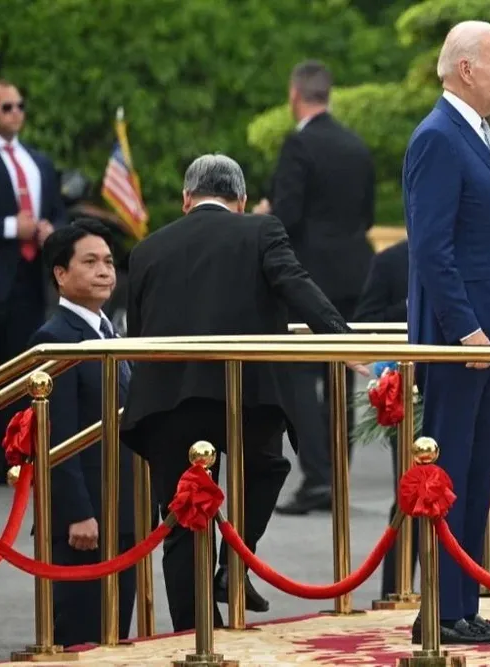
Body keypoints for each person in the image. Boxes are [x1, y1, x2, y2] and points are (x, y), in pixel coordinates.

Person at [120, 154, 362, 632]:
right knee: (265, 467)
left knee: (182, 517)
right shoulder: (261, 230)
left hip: (168, 398)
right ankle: (235, 559)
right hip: (247, 394)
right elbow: (296, 285)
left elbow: (137, 329)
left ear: (186, 199)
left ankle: (193, 634)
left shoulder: (147, 248)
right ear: (243, 199)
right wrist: (341, 339)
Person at [404, 20, 490, 645]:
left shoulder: (481, 136)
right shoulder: (438, 137)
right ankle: (442, 609)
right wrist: (467, 330)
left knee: (479, 476)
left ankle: (464, 601)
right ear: (465, 69)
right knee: (448, 472)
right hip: (462, 345)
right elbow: (431, 248)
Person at [266, 60, 376, 516]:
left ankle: (316, 476)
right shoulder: (355, 145)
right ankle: (337, 475)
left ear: (295, 95)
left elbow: (287, 217)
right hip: (353, 272)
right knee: (339, 377)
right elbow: (367, 214)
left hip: (309, 275)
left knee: (295, 377)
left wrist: (266, 211)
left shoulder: (299, 144)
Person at [26, 219, 135, 647]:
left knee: (115, 636)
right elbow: (57, 436)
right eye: (89, 262)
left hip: (124, 510)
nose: (104, 271)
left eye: (108, 261)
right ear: (60, 273)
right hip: (83, 520)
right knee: (81, 640)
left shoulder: (113, 333)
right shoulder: (55, 339)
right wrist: (76, 512)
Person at [0, 79, 65, 483]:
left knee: (23, 368)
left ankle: (15, 452)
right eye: (7, 107)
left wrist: (49, 229)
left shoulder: (37, 162)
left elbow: (57, 209)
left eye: (20, 106)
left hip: (29, 279)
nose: (16, 113)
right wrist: (10, 227)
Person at [350, 240, 419, 599]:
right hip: (408, 391)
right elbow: (364, 321)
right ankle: (397, 590)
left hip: (465, 382)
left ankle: (463, 595)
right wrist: (409, 307)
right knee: (409, 493)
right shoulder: (392, 261)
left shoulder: (473, 251)